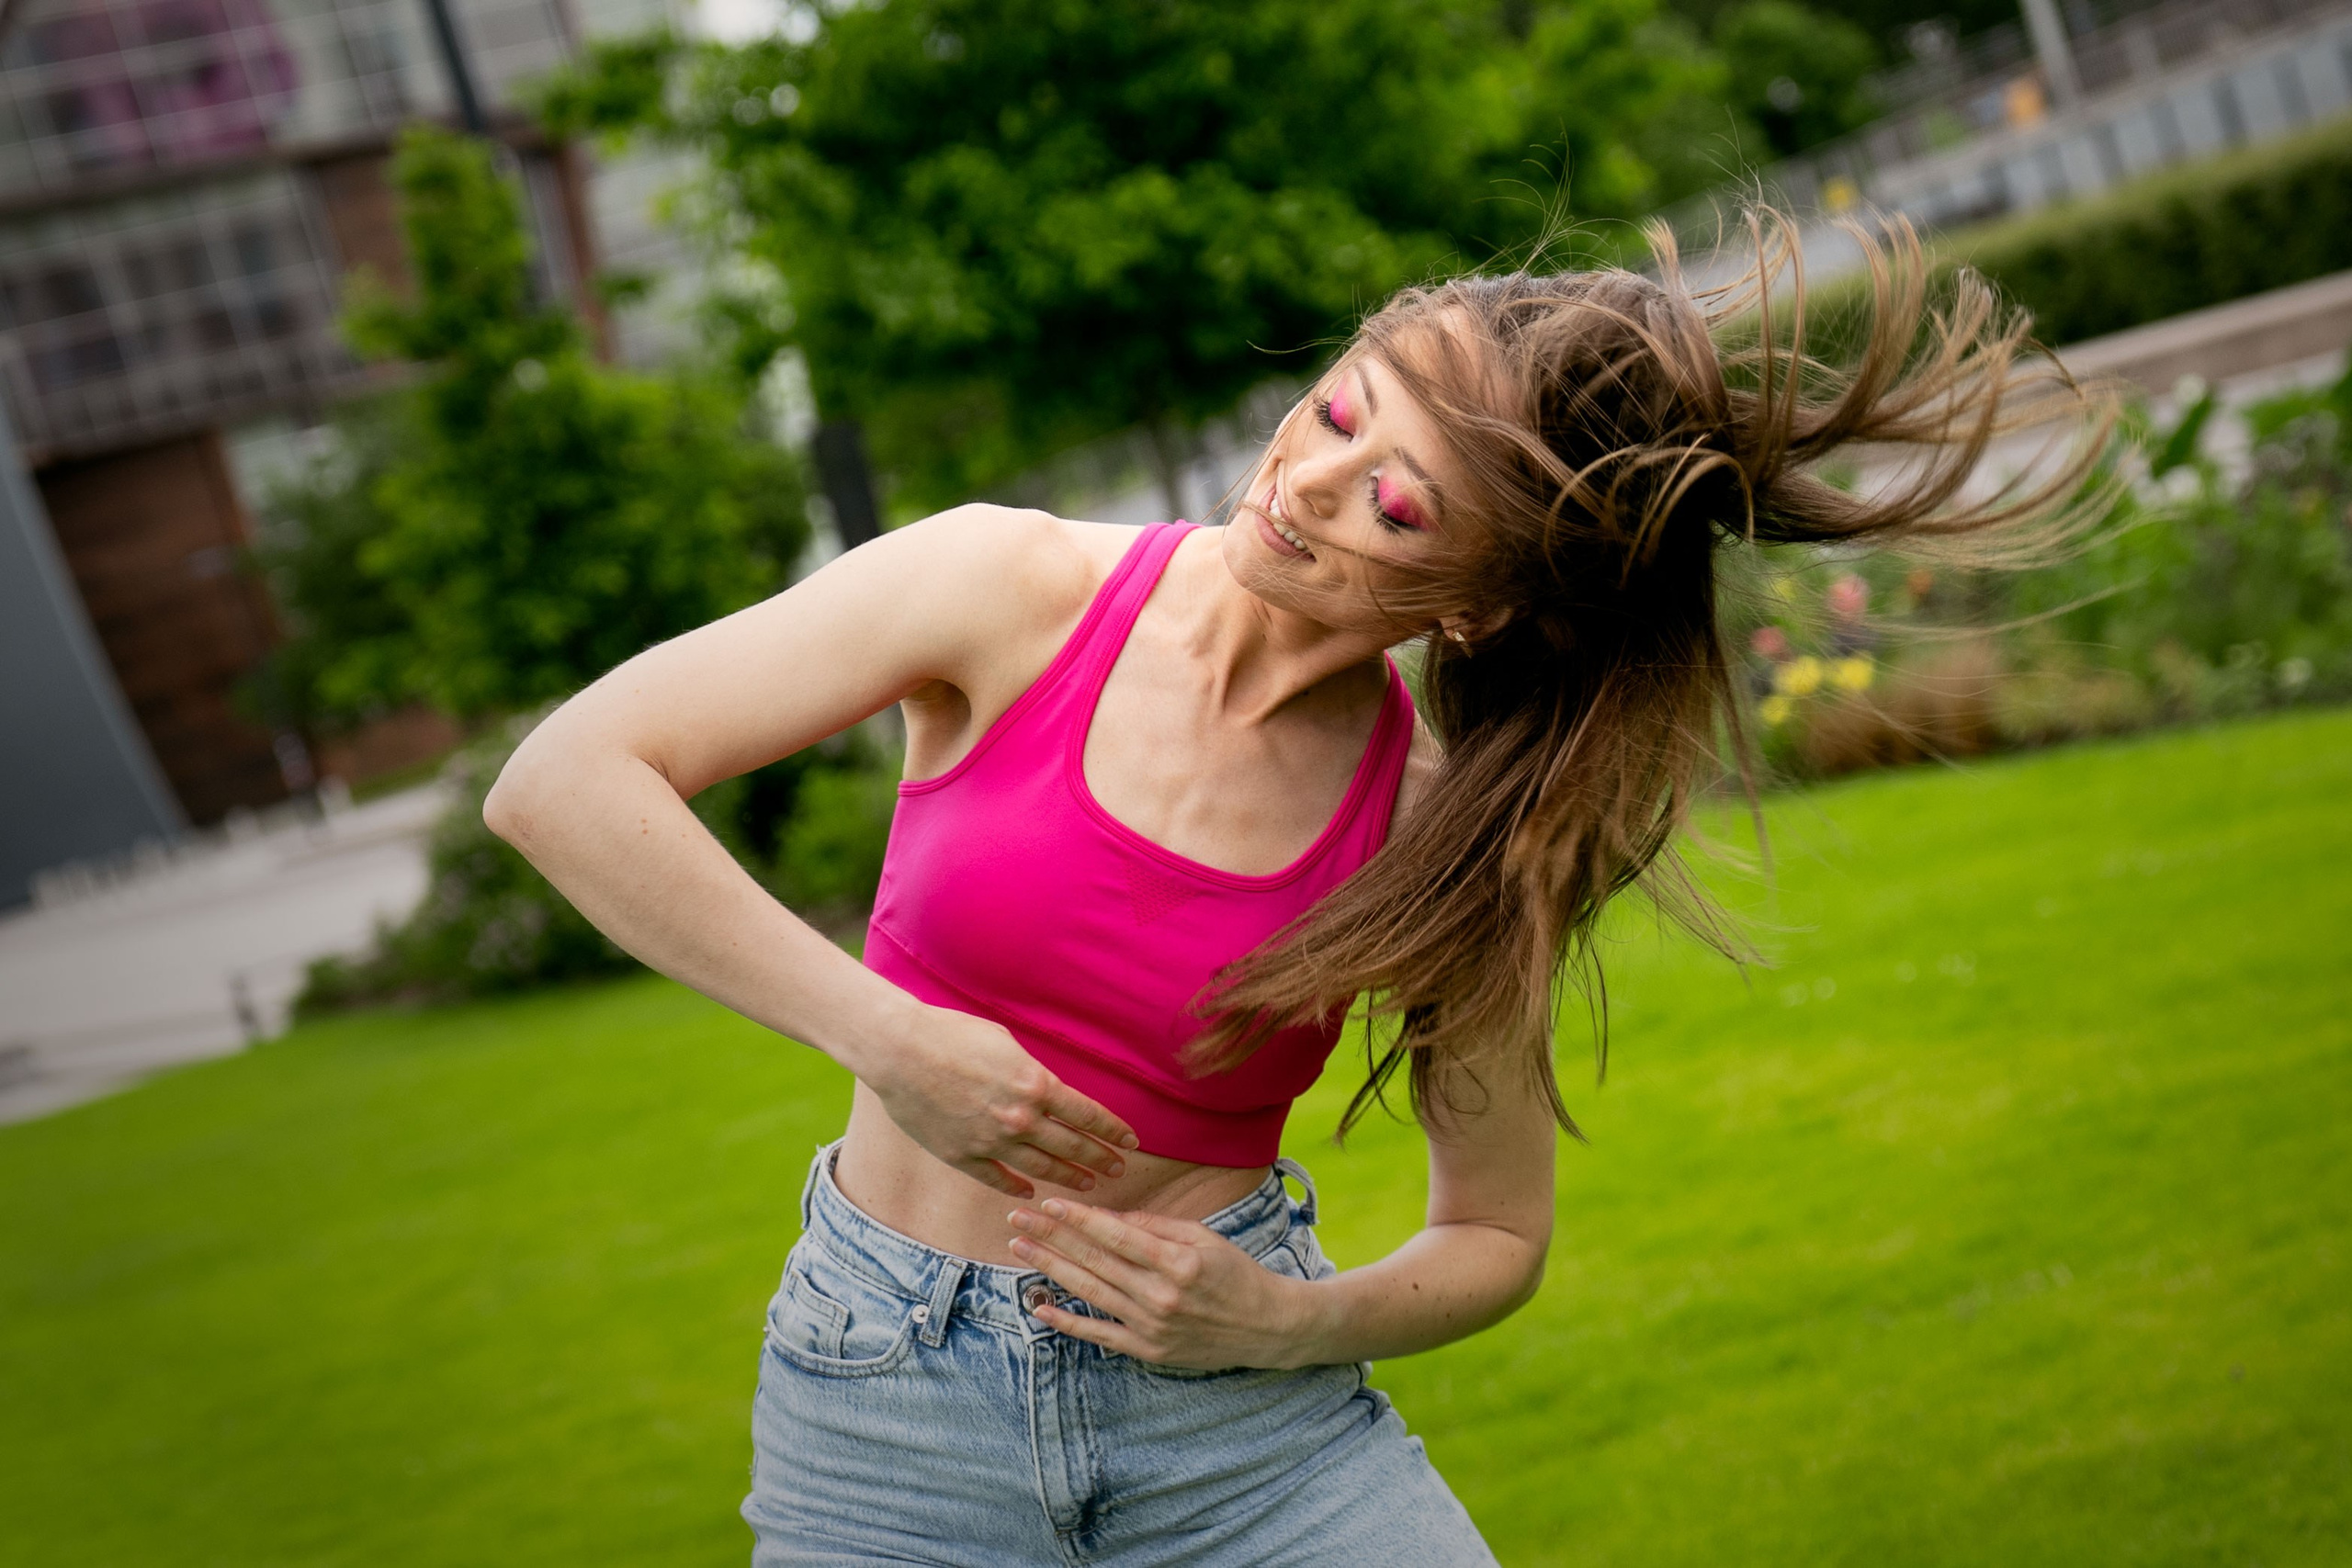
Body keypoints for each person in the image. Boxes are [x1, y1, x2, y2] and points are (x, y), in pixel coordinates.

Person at [482, 214, 2106, 1565]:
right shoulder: (1004, 585)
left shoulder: (1446, 831)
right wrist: (890, 1038)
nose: (1311, 482)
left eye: (1399, 503)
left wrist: (1277, 1325)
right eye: (1340, 412)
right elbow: (562, 781)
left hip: (1241, 1447)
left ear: (1480, 603)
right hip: (887, 1401)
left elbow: (1496, 1232)